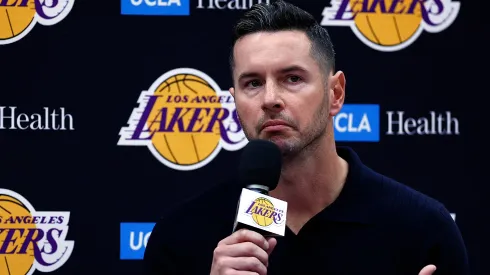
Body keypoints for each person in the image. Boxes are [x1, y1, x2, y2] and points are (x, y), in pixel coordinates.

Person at [143, 1, 469, 274]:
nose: (270, 98)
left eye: (293, 78)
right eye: (252, 83)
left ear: (336, 93)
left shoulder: (422, 229)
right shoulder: (180, 236)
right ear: (235, 100)